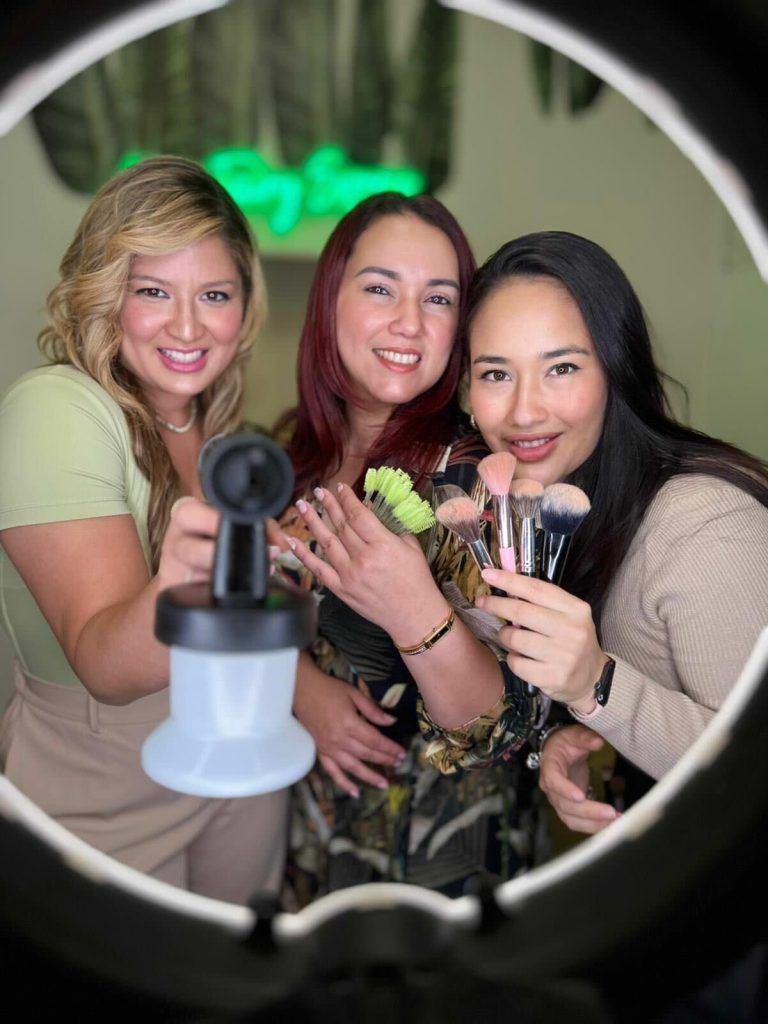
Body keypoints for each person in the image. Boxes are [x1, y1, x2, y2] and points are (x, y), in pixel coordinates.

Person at [0, 156, 289, 903]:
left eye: (214, 294)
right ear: (105, 297)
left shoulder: (222, 430)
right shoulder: (56, 410)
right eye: (153, 291)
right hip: (103, 791)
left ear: (244, 307)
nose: (188, 325)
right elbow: (107, 664)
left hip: (239, 766)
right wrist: (193, 584)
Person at [273, 192, 542, 904]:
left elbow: (507, 730)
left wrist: (413, 608)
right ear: (330, 299)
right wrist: (297, 686)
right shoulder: (287, 452)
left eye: (439, 298)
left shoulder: (481, 483)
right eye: (380, 288)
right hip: (310, 828)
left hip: (437, 857)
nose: (409, 322)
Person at [462, 230, 768, 833]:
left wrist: (596, 685)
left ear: (615, 370)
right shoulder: (548, 505)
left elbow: (753, 770)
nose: (524, 411)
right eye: (496, 374)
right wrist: (570, 736)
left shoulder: (707, 524)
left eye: (562, 368)